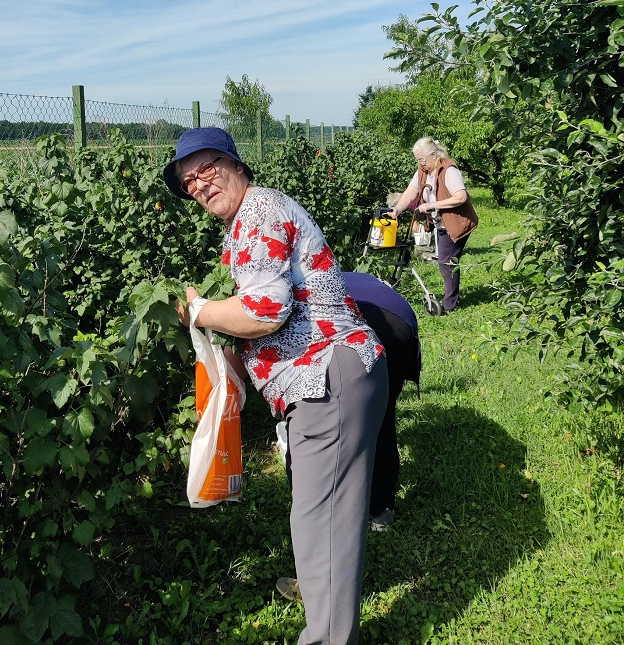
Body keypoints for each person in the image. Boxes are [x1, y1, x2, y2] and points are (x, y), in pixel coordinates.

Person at [163, 127, 388, 645]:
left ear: (237, 164)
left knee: (320, 518)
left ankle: (328, 633)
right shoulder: (247, 221)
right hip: (330, 377)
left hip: (326, 376)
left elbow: (265, 311)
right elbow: (265, 320)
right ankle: (322, 592)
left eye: (206, 169)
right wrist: (236, 374)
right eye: (188, 180)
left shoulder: (259, 211)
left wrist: (198, 312)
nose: (198, 185)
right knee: (324, 510)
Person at [341, 272, 420, 532]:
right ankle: (381, 512)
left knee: (331, 419)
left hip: (351, 319)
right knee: (382, 418)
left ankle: (340, 510)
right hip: (398, 321)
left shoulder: (302, 285)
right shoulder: (364, 278)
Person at [389, 137, 478, 312]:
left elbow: (461, 197)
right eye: (418, 160)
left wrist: (432, 205)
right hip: (441, 223)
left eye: (421, 159)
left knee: (446, 261)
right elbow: (410, 193)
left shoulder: (448, 170)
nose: (420, 163)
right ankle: (452, 299)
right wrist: (397, 209)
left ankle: (449, 305)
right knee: (446, 260)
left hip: (456, 222)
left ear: (434, 155)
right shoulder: (423, 171)